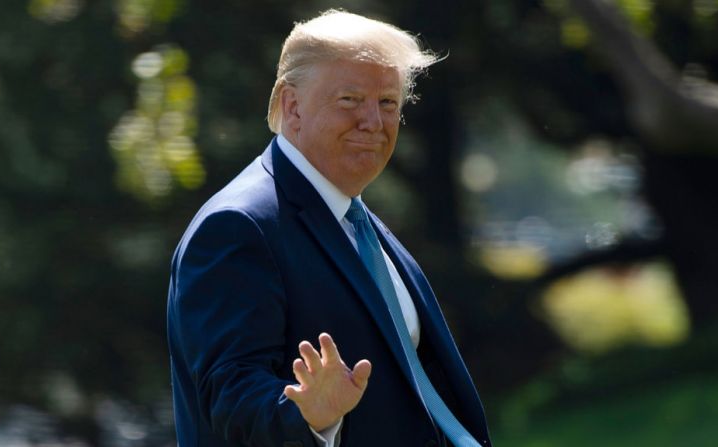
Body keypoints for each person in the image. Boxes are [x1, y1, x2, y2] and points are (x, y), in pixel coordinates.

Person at [167, 10, 493, 447]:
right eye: (350, 100)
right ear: (292, 106)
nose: (373, 123)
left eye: (388, 103)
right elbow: (230, 400)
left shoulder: (354, 218)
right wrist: (309, 415)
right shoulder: (237, 226)